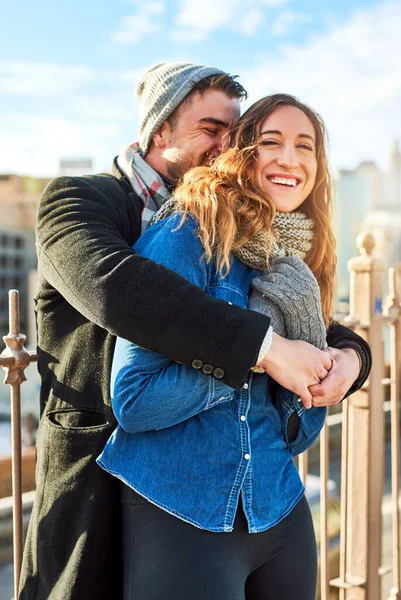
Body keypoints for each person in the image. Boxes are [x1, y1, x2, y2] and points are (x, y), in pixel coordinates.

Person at [20, 63, 370, 600]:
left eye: (236, 133)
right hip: (102, 473)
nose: (227, 145)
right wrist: (266, 351)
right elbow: (123, 291)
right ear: (160, 130)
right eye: (212, 129)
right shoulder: (83, 200)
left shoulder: (240, 228)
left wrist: (350, 355)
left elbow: (291, 314)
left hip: (233, 487)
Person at [97, 92, 353, 600]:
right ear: (242, 152)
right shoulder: (186, 230)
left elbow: (298, 431)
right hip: (181, 509)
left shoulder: (294, 262)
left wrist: (328, 367)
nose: (290, 159)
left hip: (278, 508)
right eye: (271, 141)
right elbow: (135, 401)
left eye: (306, 146)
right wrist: (259, 350)